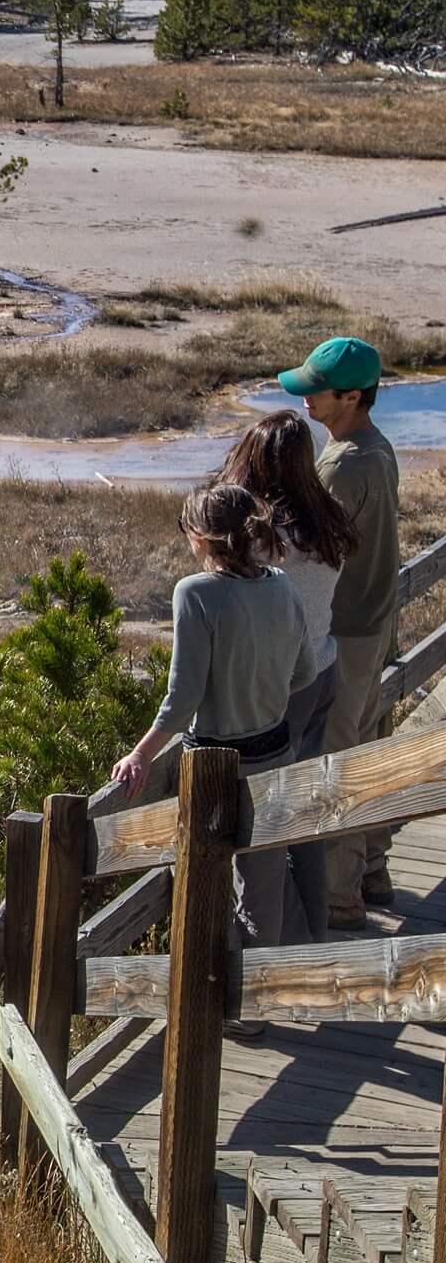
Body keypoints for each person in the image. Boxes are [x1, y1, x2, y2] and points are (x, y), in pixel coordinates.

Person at [112, 483, 315, 948]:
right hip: (277, 751)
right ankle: (254, 1006)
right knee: (261, 888)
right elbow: (304, 672)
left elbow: (183, 698)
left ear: (201, 537)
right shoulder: (283, 585)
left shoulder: (196, 593)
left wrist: (139, 755)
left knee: (201, 880)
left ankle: (210, 995)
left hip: (215, 768)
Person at [278, 337, 400, 929]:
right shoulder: (376, 447)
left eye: (316, 390)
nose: (305, 398)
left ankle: (340, 900)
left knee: (337, 761)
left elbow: (308, 552)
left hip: (344, 633)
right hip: (373, 623)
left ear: (351, 397)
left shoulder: (341, 466)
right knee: (367, 741)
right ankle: (372, 869)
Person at [219, 413, 355, 937]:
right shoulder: (328, 518)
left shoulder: (266, 538)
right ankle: (314, 940)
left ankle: (272, 958)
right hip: (323, 669)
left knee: (263, 827)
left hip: (278, 689)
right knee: (305, 817)